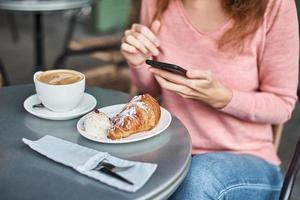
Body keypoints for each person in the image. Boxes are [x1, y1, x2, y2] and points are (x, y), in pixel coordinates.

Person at [121, 0, 299, 199]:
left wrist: (223, 99)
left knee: (198, 178)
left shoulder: (275, 5)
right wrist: (138, 61)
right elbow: (153, 88)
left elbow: (282, 105)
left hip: (246, 159)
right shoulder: (156, 2)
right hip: (171, 152)